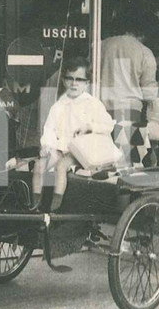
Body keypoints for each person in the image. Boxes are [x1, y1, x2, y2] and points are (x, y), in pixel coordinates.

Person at [32, 58, 114, 212]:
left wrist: (90, 126)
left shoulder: (92, 104)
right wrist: (47, 147)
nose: (74, 83)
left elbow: (108, 125)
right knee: (39, 165)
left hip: (81, 150)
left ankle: (55, 207)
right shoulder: (58, 106)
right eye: (70, 78)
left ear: (86, 84)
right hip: (60, 147)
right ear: (63, 81)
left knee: (61, 166)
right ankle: (35, 205)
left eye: (79, 80)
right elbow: (49, 129)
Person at [99, 11, 159, 165]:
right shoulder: (144, 51)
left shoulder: (100, 46)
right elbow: (149, 91)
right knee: (128, 162)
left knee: (103, 160)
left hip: (100, 112)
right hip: (130, 113)